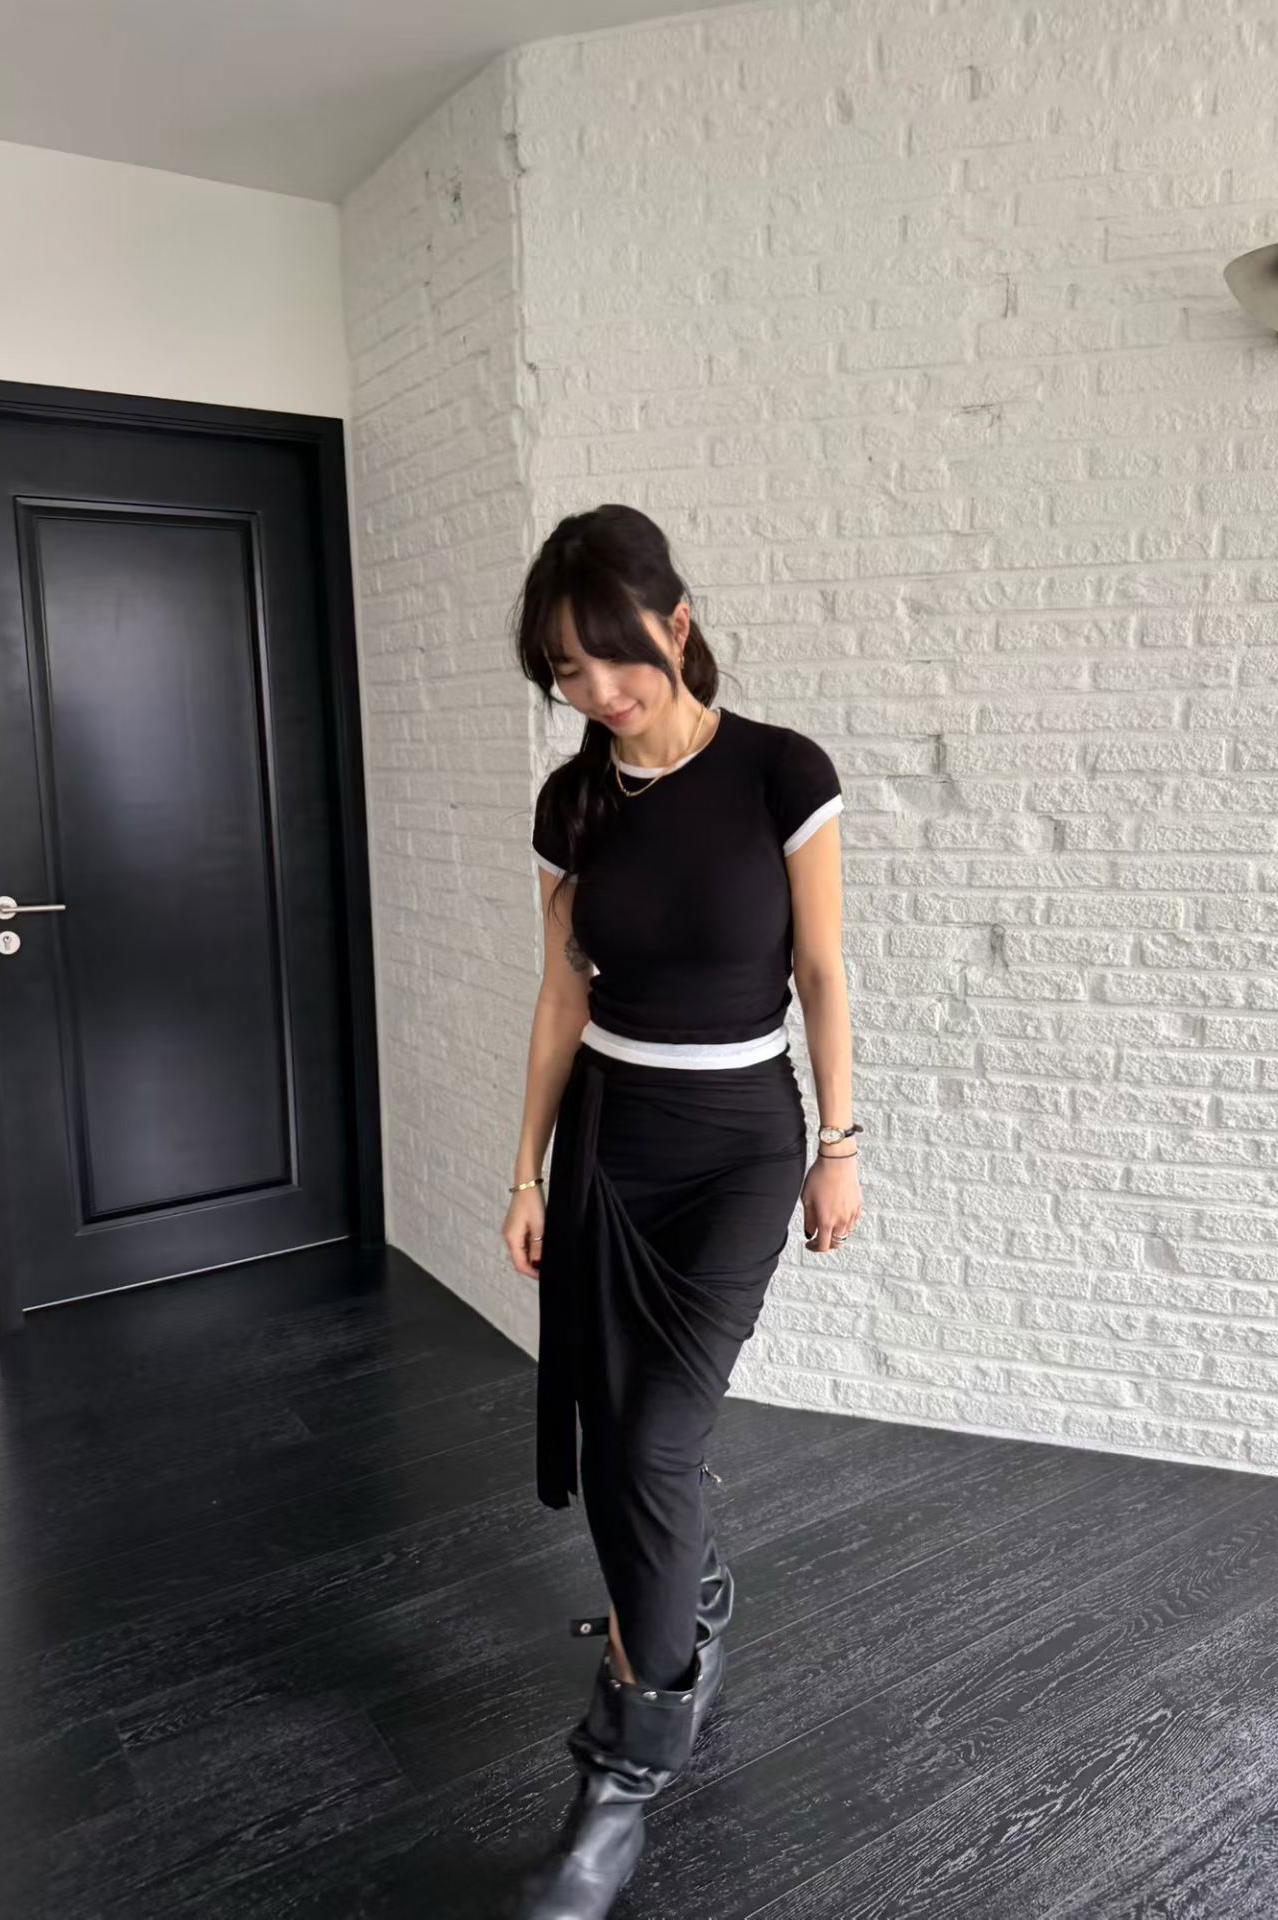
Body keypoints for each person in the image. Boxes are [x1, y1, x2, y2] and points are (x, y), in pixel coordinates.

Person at [501, 503, 862, 1918]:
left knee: (655, 1438)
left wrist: (840, 1144)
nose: (597, 691)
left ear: (678, 621)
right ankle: (687, 1599)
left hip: (737, 1149)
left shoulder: (781, 772)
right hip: (608, 1138)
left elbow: (820, 971)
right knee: (618, 1435)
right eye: (565, 671)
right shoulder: (572, 805)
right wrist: (526, 1170)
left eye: (614, 656)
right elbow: (560, 1001)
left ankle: (619, 1781)